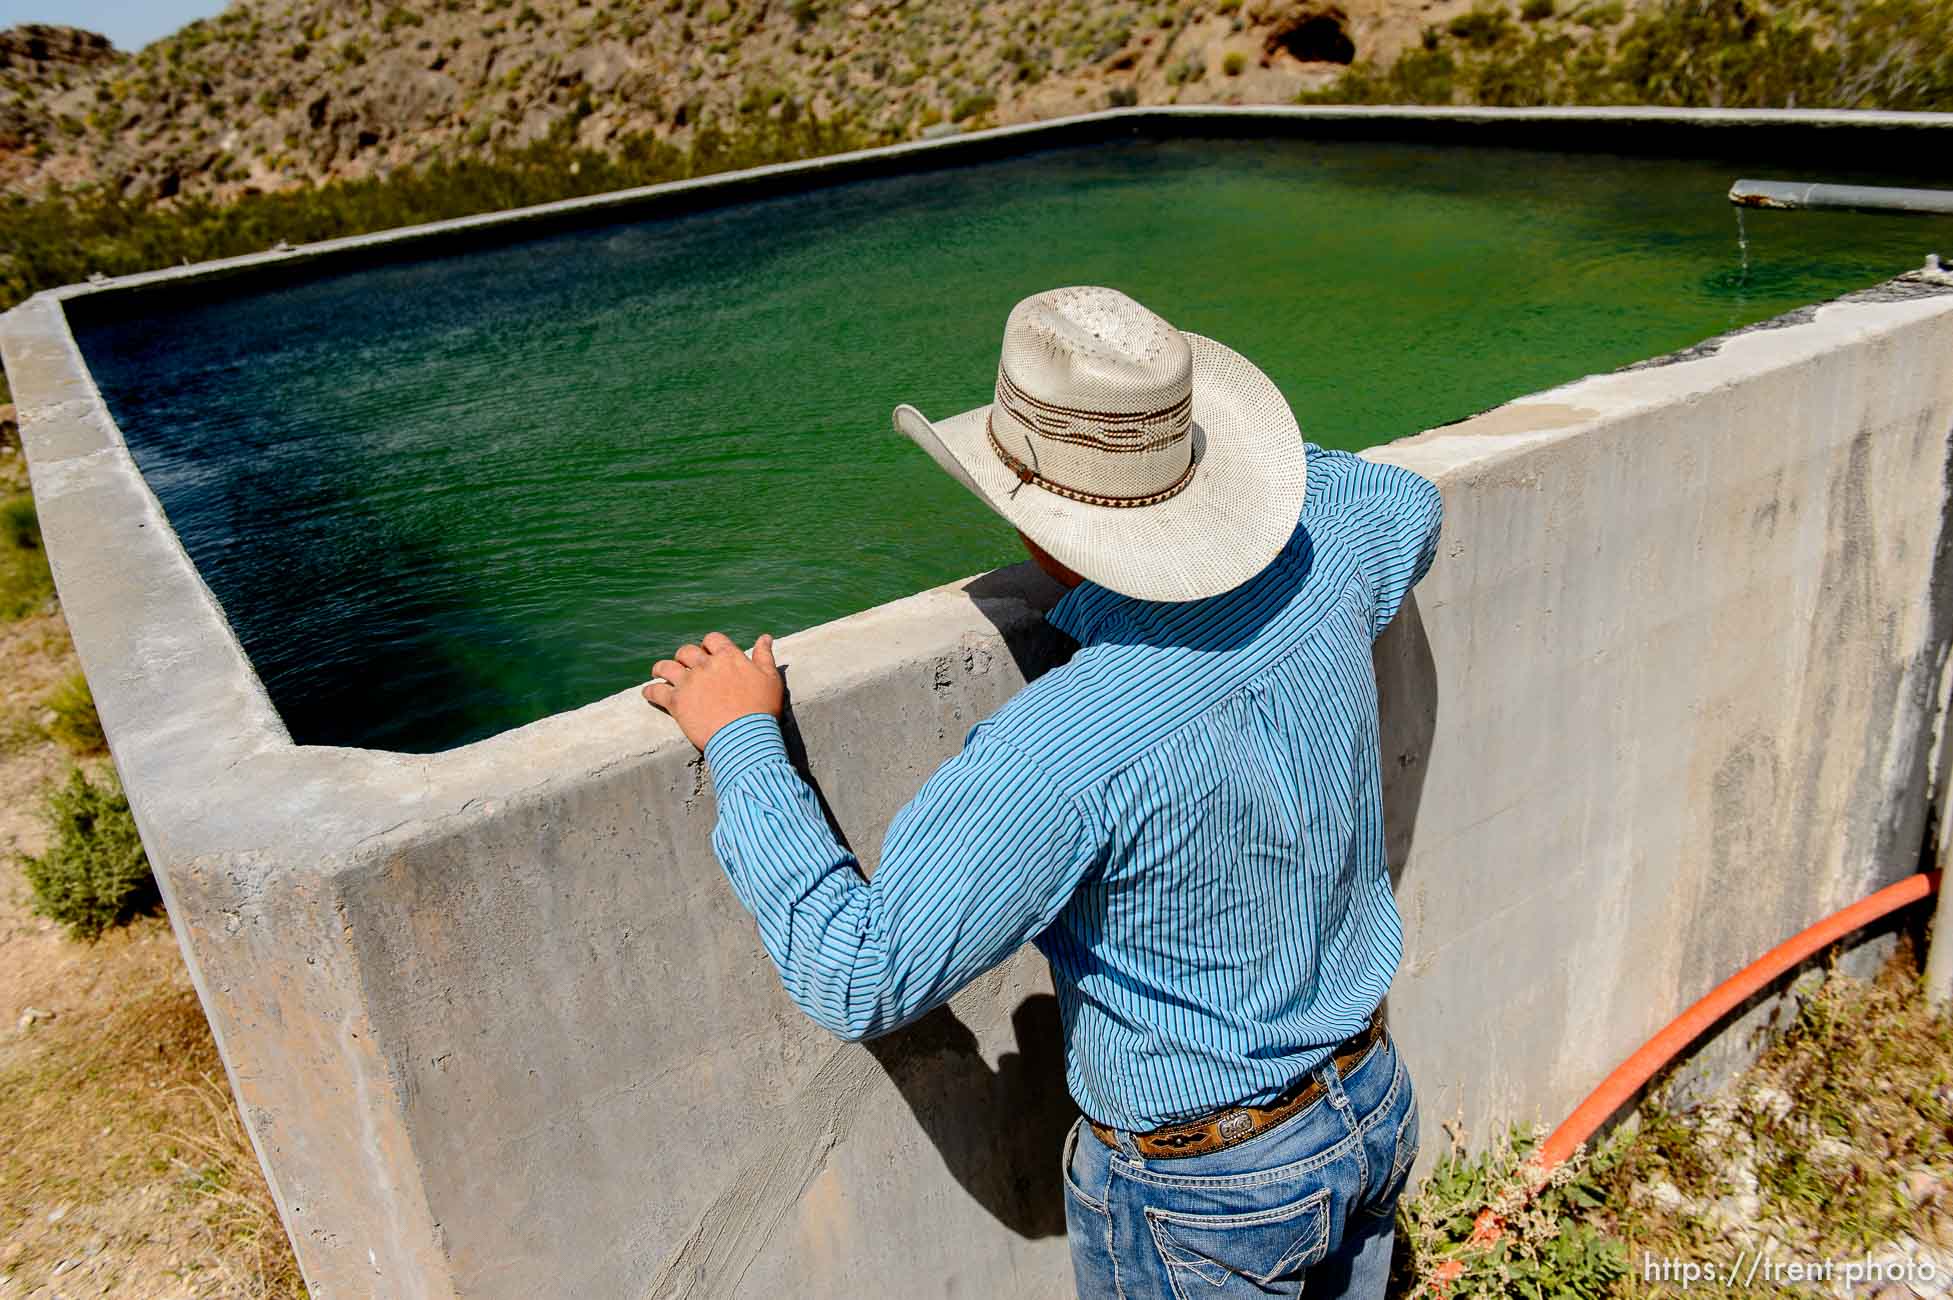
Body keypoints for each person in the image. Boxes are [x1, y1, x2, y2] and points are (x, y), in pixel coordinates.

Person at [643, 286, 1443, 1298]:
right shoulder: (1337, 554)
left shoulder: (1059, 750)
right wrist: (1251, 510)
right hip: (1369, 1096)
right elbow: (1408, 506)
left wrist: (741, 740)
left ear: (1023, 508)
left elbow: (860, 971)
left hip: (1212, 1196)